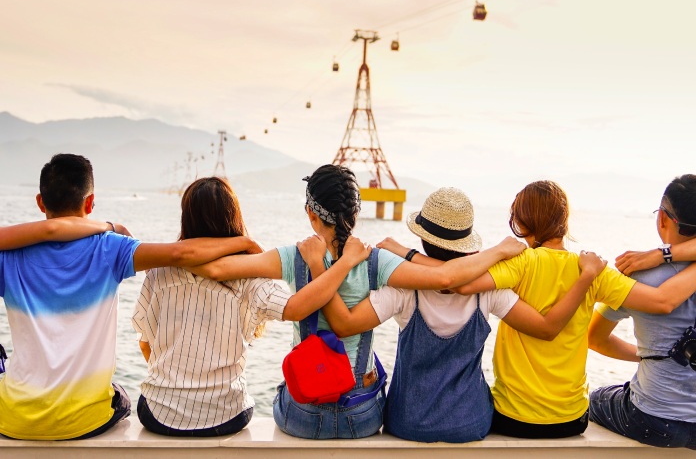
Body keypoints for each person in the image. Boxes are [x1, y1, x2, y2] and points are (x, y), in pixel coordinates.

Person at [184, 165, 534, 440]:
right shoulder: (377, 261)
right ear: (357, 210)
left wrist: (244, 241)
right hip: (361, 415)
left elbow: (213, 268)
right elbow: (446, 278)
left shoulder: (293, 256)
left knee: (284, 387)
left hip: (304, 415)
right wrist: (500, 250)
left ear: (311, 213)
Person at [297, 187, 607, 443]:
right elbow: (545, 327)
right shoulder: (488, 290)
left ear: (422, 239)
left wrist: (320, 268)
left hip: (408, 423)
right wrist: (584, 278)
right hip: (470, 424)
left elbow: (344, 324)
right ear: (466, 244)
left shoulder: (404, 290)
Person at [391, 180, 696, 438]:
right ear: (565, 221)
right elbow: (660, 302)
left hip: (513, 417)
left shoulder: (520, 263)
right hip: (570, 421)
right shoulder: (592, 269)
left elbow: (456, 282)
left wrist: (406, 254)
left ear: (521, 224)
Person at [0, 154, 260, 441]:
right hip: (85, 420)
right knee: (119, 395)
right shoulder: (110, 248)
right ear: (90, 202)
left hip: (13, 418)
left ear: (40, 202)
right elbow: (182, 253)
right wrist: (245, 242)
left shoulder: (7, 258)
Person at [131, 177, 371, 437]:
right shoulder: (250, 278)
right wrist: (344, 263)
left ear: (186, 218)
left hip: (159, 413)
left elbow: (146, 343)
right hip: (226, 415)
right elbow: (295, 308)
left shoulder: (159, 272)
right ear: (234, 217)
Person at [588, 175, 696, 449]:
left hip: (654, 420)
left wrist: (652, 358)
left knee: (596, 398)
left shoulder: (638, 277)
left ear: (662, 218)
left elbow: (595, 338)